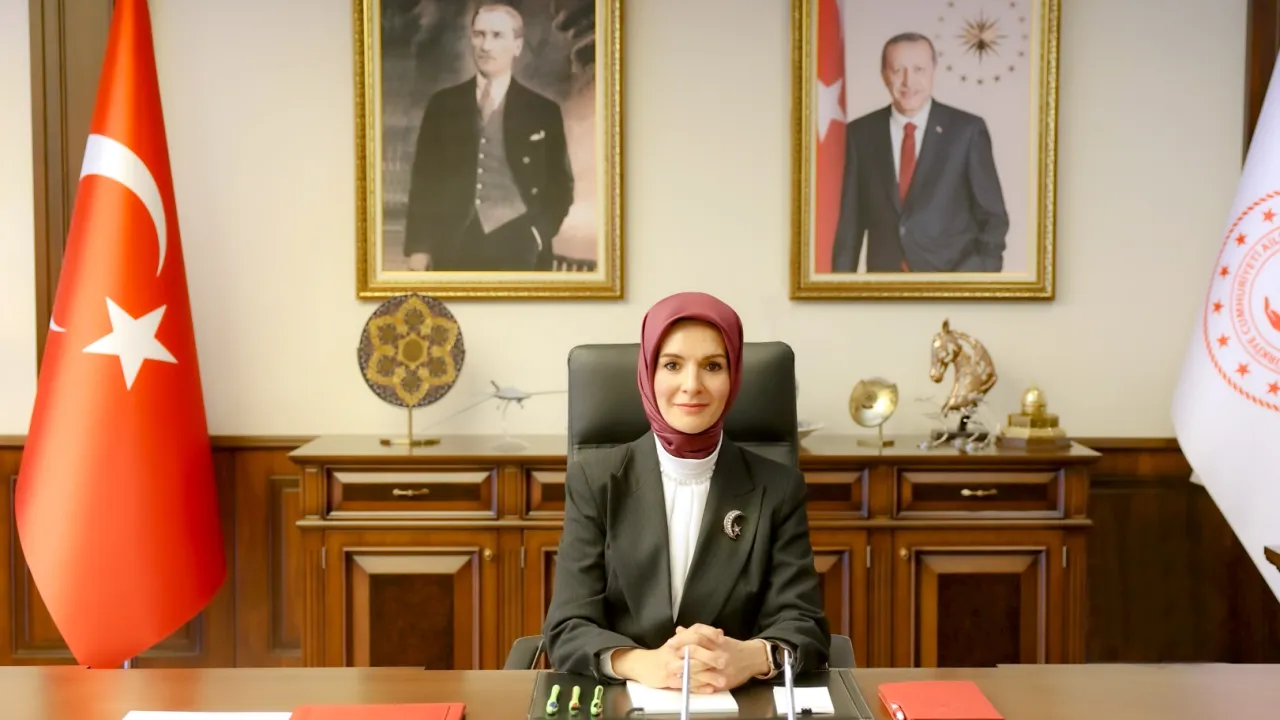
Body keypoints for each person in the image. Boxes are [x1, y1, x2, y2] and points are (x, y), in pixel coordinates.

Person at [543, 292, 830, 692]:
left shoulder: (777, 487)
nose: (691, 386)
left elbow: (804, 624)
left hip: (738, 700)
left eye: (712, 366)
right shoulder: (596, 480)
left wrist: (749, 657)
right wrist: (643, 663)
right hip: (624, 699)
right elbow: (567, 626)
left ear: (734, 376)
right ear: (648, 372)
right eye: (672, 365)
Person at [402, 3, 574, 272]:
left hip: (521, 251)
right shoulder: (442, 105)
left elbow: (560, 187)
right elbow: (424, 181)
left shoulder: (543, 111)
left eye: (497, 36)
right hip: (452, 247)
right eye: (479, 35)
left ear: (517, 46)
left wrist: (537, 235)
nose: (485, 46)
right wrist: (419, 248)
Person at [831, 32, 1009, 273]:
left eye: (919, 70)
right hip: (884, 285)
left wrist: (970, 280)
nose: (908, 82)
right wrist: (840, 288)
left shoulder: (967, 131)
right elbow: (849, 226)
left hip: (953, 281)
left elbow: (993, 219)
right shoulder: (860, 134)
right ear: (884, 75)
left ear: (933, 71)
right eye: (898, 70)